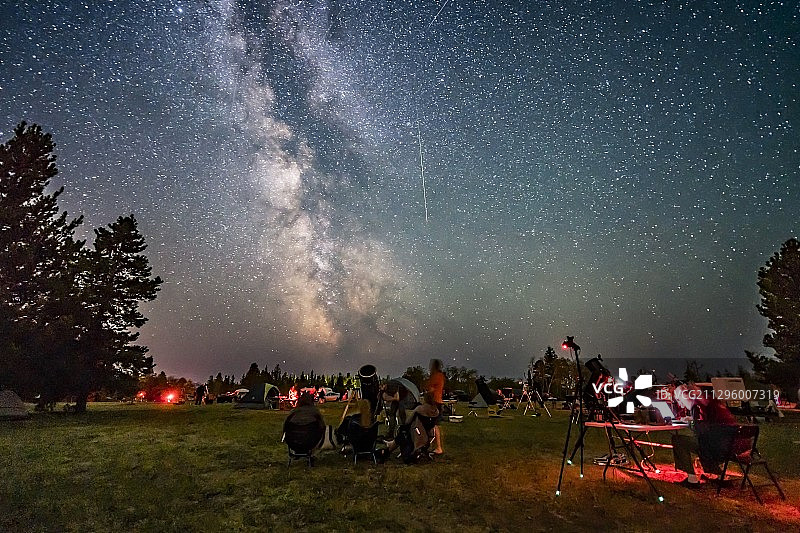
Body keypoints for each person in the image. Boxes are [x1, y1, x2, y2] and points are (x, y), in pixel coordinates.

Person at [671, 382, 749, 486]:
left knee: (679, 440)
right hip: (734, 446)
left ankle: (692, 479)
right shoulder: (714, 402)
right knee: (704, 440)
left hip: (719, 449)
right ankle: (718, 475)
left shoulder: (697, 405)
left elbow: (701, 430)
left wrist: (689, 422)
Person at [424, 358, 446, 454]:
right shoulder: (441, 376)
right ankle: (435, 445)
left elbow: (431, 389)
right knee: (434, 425)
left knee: (434, 425)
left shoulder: (436, 376)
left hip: (434, 402)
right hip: (439, 402)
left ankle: (438, 447)